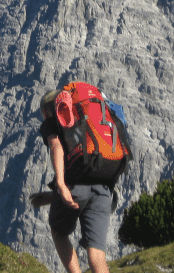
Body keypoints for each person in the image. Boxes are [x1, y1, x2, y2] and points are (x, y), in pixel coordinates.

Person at [36, 87, 115, 273]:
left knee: (58, 232)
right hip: (103, 187)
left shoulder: (53, 120)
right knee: (97, 256)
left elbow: (56, 145)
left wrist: (61, 185)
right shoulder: (89, 122)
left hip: (75, 185)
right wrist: (51, 196)